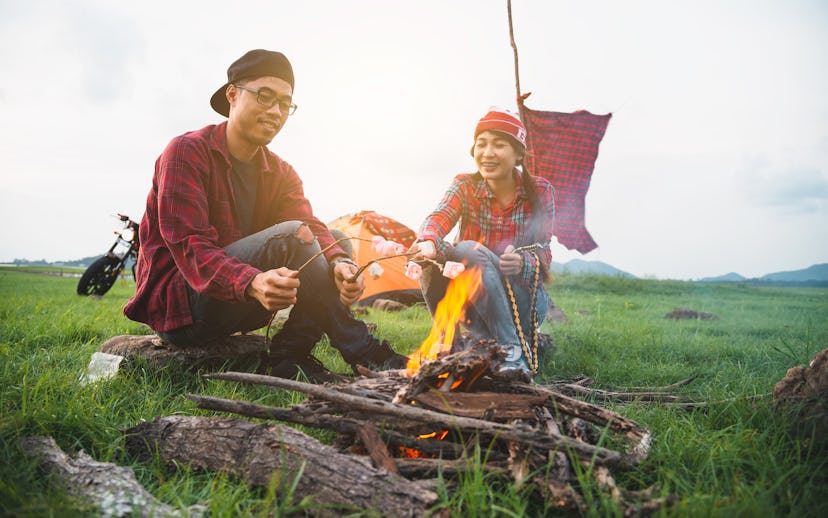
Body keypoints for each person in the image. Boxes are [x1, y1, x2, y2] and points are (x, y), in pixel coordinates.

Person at [124, 49, 407, 380]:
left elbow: (312, 226)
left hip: (244, 307)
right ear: (232, 94)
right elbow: (190, 245)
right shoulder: (186, 152)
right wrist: (252, 281)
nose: (275, 111)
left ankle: (290, 354)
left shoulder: (280, 171)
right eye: (264, 96)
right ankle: (364, 349)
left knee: (336, 242)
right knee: (293, 235)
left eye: (285, 104)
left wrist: (342, 264)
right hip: (185, 310)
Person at [409, 107, 555, 381]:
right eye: (481, 144)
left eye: (499, 145)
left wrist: (523, 262)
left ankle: (512, 350)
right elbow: (439, 217)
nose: (487, 153)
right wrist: (428, 240)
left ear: (519, 154)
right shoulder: (464, 185)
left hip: (522, 300)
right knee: (431, 259)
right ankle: (450, 347)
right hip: (476, 301)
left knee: (466, 249)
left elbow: (544, 252)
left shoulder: (540, 191)